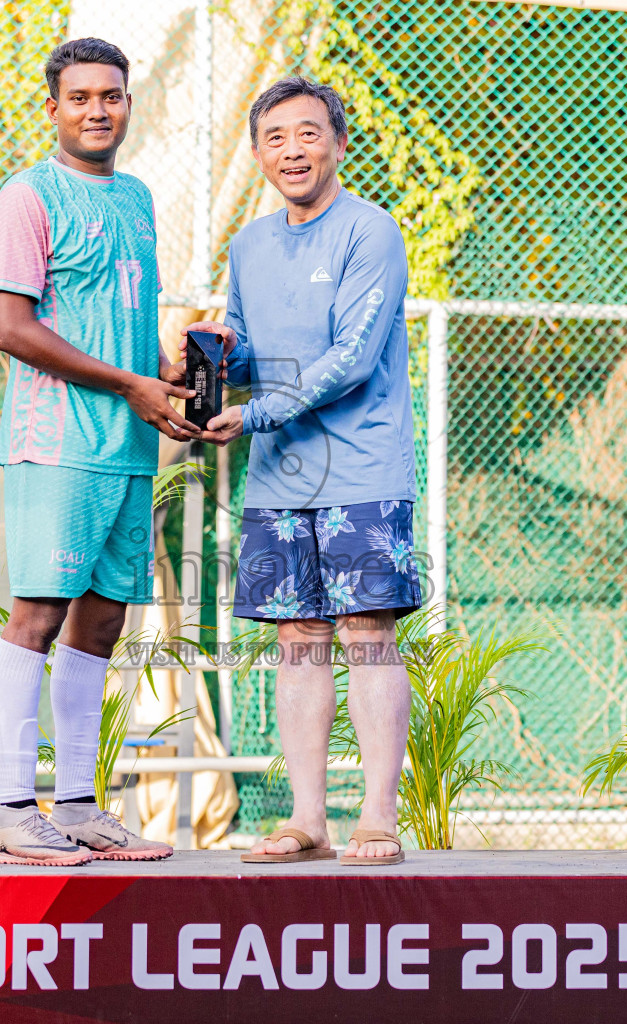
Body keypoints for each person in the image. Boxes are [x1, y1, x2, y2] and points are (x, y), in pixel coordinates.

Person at [185, 76, 419, 864]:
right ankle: (307, 819)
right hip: (281, 477)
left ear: (338, 143)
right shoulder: (249, 244)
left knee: (367, 636)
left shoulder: (371, 230)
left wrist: (251, 414)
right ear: (257, 154)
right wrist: (215, 353)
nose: (292, 150)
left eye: (308, 133)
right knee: (297, 639)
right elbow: (251, 348)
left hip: (363, 473)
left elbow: (351, 359)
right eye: (275, 138)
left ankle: (378, 818)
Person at [0, 37, 196, 865]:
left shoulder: (137, 197)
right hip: (57, 441)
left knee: (103, 623)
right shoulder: (27, 197)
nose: (97, 110)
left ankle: (76, 808)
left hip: (130, 443)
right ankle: (12, 811)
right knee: (37, 613)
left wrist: (167, 381)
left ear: (127, 105)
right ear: (54, 108)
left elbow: (122, 323)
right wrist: (128, 385)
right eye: (80, 98)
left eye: (111, 96)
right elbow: (12, 329)